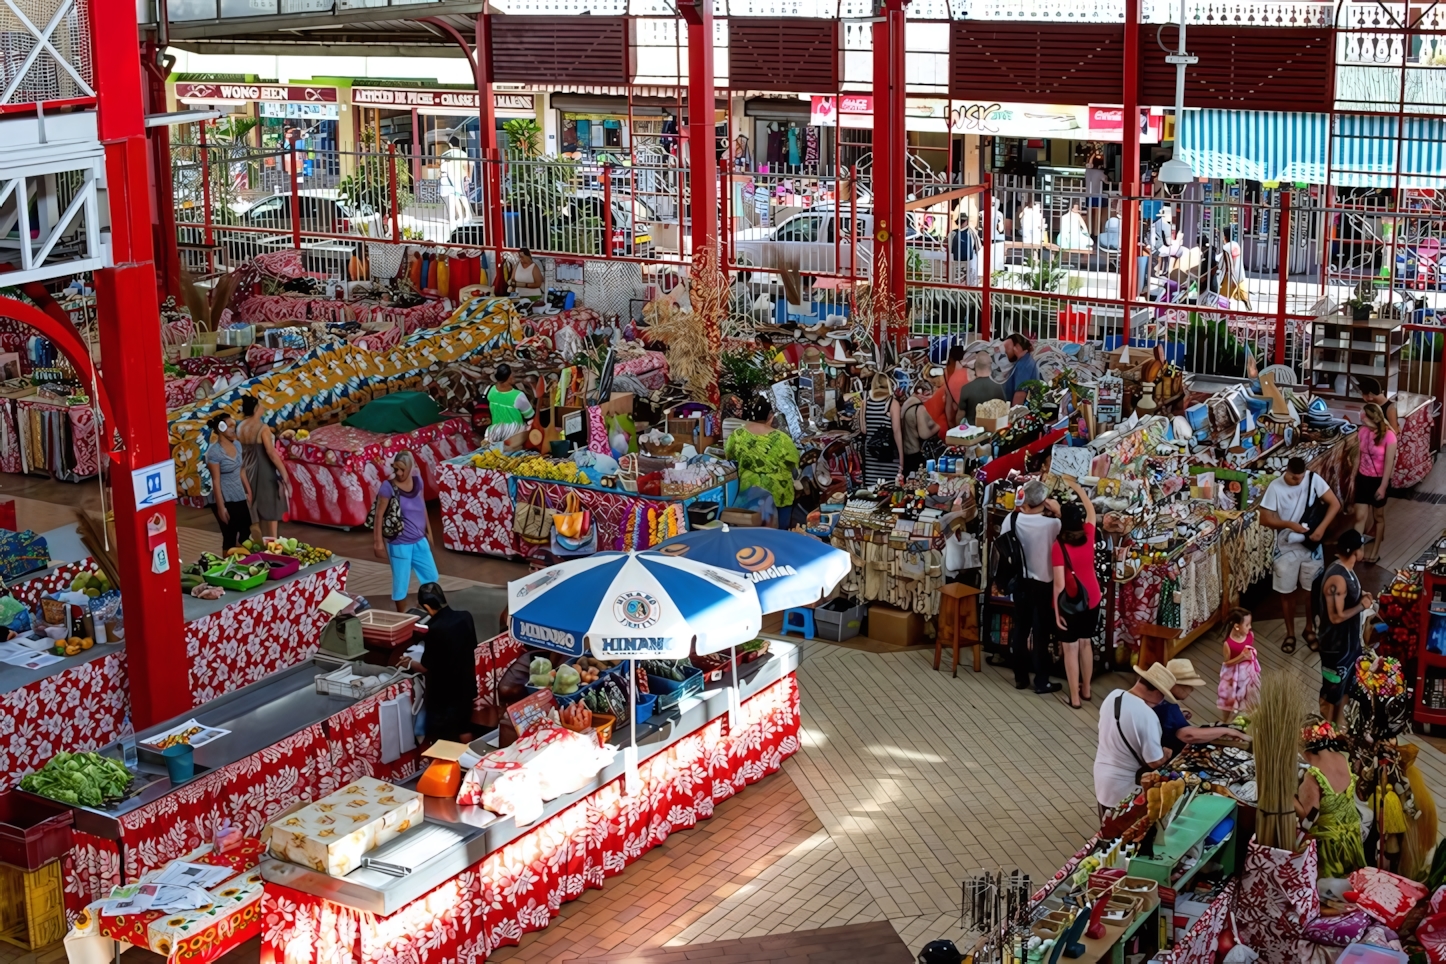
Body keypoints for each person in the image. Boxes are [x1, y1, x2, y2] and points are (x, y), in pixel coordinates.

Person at [1260, 455, 1340, 654]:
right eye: (1294, 477)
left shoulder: (1313, 479)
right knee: (1286, 593)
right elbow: (1264, 518)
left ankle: (1309, 629)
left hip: (1311, 546)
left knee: (1311, 591)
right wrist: (1288, 524)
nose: (1298, 481)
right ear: (1286, 471)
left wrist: (1321, 528)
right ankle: (1290, 633)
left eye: (1301, 477)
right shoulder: (1275, 487)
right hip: (1286, 548)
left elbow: (1335, 504)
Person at [1001, 480, 1062, 695]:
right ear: (1044, 502)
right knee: (1041, 634)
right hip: (1044, 584)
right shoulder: (1052, 525)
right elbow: (1068, 536)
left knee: (1020, 629)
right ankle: (1041, 680)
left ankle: (1020, 677)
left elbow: (1003, 542)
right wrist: (1058, 511)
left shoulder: (1012, 518)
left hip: (1021, 581)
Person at [1095, 662, 1177, 819]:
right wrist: (1166, 754)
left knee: (1106, 828)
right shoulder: (1147, 716)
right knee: (1122, 832)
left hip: (1102, 775)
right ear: (1158, 692)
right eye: (1163, 695)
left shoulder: (1114, 695)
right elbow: (1154, 762)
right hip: (1124, 785)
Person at [401, 583, 479, 744]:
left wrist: (408, 662)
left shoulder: (434, 629)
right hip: (466, 686)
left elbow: (425, 667)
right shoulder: (466, 616)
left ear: (426, 607)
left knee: (440, 738)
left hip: (445, 694)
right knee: (464, 729)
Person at [1295, 719, 1367, 878]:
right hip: (1353, 835)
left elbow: (1309, 819)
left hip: (1331, 844)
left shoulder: (1313, 776)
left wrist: (1289, 798)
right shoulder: (1342, 758)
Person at [1051, 477, 1099, 709]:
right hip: (1093, 598)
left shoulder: (1058, 546)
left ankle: (1075, 697)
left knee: (1070, 649)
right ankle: (1087, 689)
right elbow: (1090, 508)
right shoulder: (1089, 534)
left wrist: (1057, 610)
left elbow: (1059, 584)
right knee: (1086, 643)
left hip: (1070, 602)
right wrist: (1076, 486)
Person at [1317, 529, 1374, 725]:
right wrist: (1361, 606)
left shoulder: (1346, 570)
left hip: (1349, 645)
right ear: (1356, 551)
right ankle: (1327, 728)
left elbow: (1347, 599)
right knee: (1332, 689)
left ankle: (1340, 723)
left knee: (1347, 687)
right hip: (1336, 646)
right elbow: (1335, 616)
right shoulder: (1337, 579)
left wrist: (1360, 596)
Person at [373, 451, 439, 612]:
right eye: (396, 469)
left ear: (410, 468)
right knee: (401, 583)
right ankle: (401, 615)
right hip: (399, 543)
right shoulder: (388, 487)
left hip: (419, 540)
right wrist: (378, 543)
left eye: (403, 469)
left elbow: (421, 504)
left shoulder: (418, 482)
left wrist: (428, 530)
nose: (399, 473)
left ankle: (426, 607)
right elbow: (379, 515)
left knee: (431, 576)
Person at [725, 395, 800, 528]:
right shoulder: (782, 439)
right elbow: (793, 465)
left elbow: (730, 458)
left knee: (751, 537)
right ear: (770, 416)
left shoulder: (736, 435)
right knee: (779, 537)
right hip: (779, 495)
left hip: (749, 494)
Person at [1154, 659, 1251, 755]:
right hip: (1170, 752)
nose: (1191, 689)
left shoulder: (1160, 702)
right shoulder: (1170, 709)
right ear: (1176, 685)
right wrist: (1231, 731)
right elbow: (1188, 735)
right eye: (1188, 685)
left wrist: (1179, 713)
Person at [237, 396, 289, 540]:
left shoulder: (240, 427)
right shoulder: (262, 428)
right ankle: (272, 541)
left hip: (246, 469)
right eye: (261, 406)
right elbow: (271, 453)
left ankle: (259, 543)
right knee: (270, 507)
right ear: (255, 409)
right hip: (264, 470)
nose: (263, 408)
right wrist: (284, 473)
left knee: (254, 507)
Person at [1353, 402, 1396, 563]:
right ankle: (1358, 550)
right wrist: (1354, 477)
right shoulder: (1362, 431)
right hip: (1363, 477)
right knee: (1359, 516)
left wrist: (1383, 486)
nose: (1361, 419)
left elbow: (1389, 463)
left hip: (1379, 480)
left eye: (1364, 416)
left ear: (1372, 418)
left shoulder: (1390, 436)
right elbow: (1359, 456)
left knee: (1378, 516)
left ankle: (1375, 551)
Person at [205, 414, 254, 552]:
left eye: (234, 425)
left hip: (238, 493)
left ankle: (244, 563)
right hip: (224, 496)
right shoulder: (214, 452)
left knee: (246, 531)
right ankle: (227, 567)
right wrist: (221, 508)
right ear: (221, 428)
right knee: (229, 534)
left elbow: (241, 470)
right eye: (230, 426)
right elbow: (216, 480)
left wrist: (248, 491)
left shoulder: (237, 445)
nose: (234, 429)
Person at [859, 373, 903, 485]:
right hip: (889, 454)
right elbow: (897, 432)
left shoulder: (865, 401)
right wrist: (902, 461)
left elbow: (863, 430)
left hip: (871, 455)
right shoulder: (892, 403)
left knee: (872, 490)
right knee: (890, 489)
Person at [1217, 608, 1262, 716]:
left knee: (1250, 695)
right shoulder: (1228, 644)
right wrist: (1241, 657)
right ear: (1237, 626)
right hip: (1234, 675)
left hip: (1248, 672)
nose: (1250, 627)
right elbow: (1227, 663)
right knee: (1230, 699)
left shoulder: (1250, 635)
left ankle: (1249, 714)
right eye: (1247, 625)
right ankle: (1226, 718)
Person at [478, 363, 535, 435]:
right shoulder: (518, 396)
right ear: (508, 377)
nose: (513, 375)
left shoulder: (489, 389)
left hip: (496, 434)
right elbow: (530, 416)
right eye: (512, 374)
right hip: (514, 435)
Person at [899, 389, 939, 477]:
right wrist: (939, 426)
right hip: (917, 455)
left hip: (906, 454)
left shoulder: (906, 405)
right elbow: (924, 434)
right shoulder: (919, 408)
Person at [957, 353, 1005, 424]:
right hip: (994, 430)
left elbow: (960, 416)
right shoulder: (1000, 386)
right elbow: (1004, 410)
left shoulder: (966, 389)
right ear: (991, 366)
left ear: (975, 366)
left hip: (973, 432)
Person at [1219, 224, 1251, 308]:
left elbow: (1229, 264)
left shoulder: (1226, 247)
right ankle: (1248, 309)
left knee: (1223, 298)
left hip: (1231, 276)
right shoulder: (1236, 245)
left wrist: (1232, 278)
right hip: (1240, 274)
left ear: (1225, 236)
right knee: (1244, 295)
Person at [1002, 332, 1039, 406]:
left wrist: (1013, 415)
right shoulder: (1026, 361)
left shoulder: (1023, 365)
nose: (1005, 353)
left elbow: (1020, 394)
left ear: (1017, 347)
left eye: (1007, 350)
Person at [941, 344, 971, 427]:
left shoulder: (947, 371)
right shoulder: (967, 371)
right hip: (966, 408)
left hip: (954, 407)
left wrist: (950, 422)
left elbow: (948, 399)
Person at [948, 215, 979, 285]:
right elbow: (978, 247)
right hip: (969, 261)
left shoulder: (952, 233)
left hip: (955, 261)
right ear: (967, 221)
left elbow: (949, 248)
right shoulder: (972, 232)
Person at [1084, 155, 1108, 236]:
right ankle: (1097, 233)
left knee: (1089, 214)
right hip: (1097, 196)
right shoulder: (1100, 172)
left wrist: (1093, 154)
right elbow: (1106, 181)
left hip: (1088, 195)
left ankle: (1088, 232)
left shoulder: (1087, 171)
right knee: (1098, 215)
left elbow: (1089, 163)